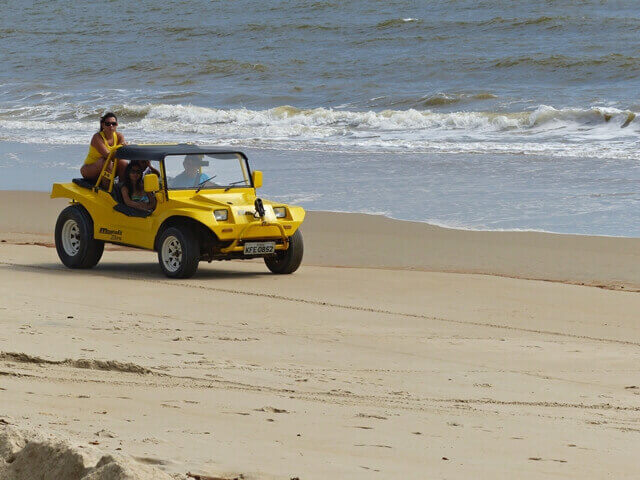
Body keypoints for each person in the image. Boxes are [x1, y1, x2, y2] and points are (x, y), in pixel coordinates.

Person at [81, 112, 126, 183]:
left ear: (117, 125)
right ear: (103, 125)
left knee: (123, 162)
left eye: (114, 124)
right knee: (106, 162)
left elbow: (122, 155)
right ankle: (107, 190)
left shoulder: (119, 136)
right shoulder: (97, 137)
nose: (111, 126)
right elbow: (108, 155)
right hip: (90, 169)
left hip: (109, 168)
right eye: (108, 124)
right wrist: (123, 150)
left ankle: (122, 188)